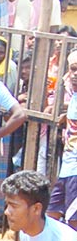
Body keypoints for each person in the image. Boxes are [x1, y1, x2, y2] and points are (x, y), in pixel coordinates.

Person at [48, 52, 77, 229]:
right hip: (67, 167)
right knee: (51, 216)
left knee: (73, 222)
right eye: (73, 70)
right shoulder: (73, 96)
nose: (75, 75)